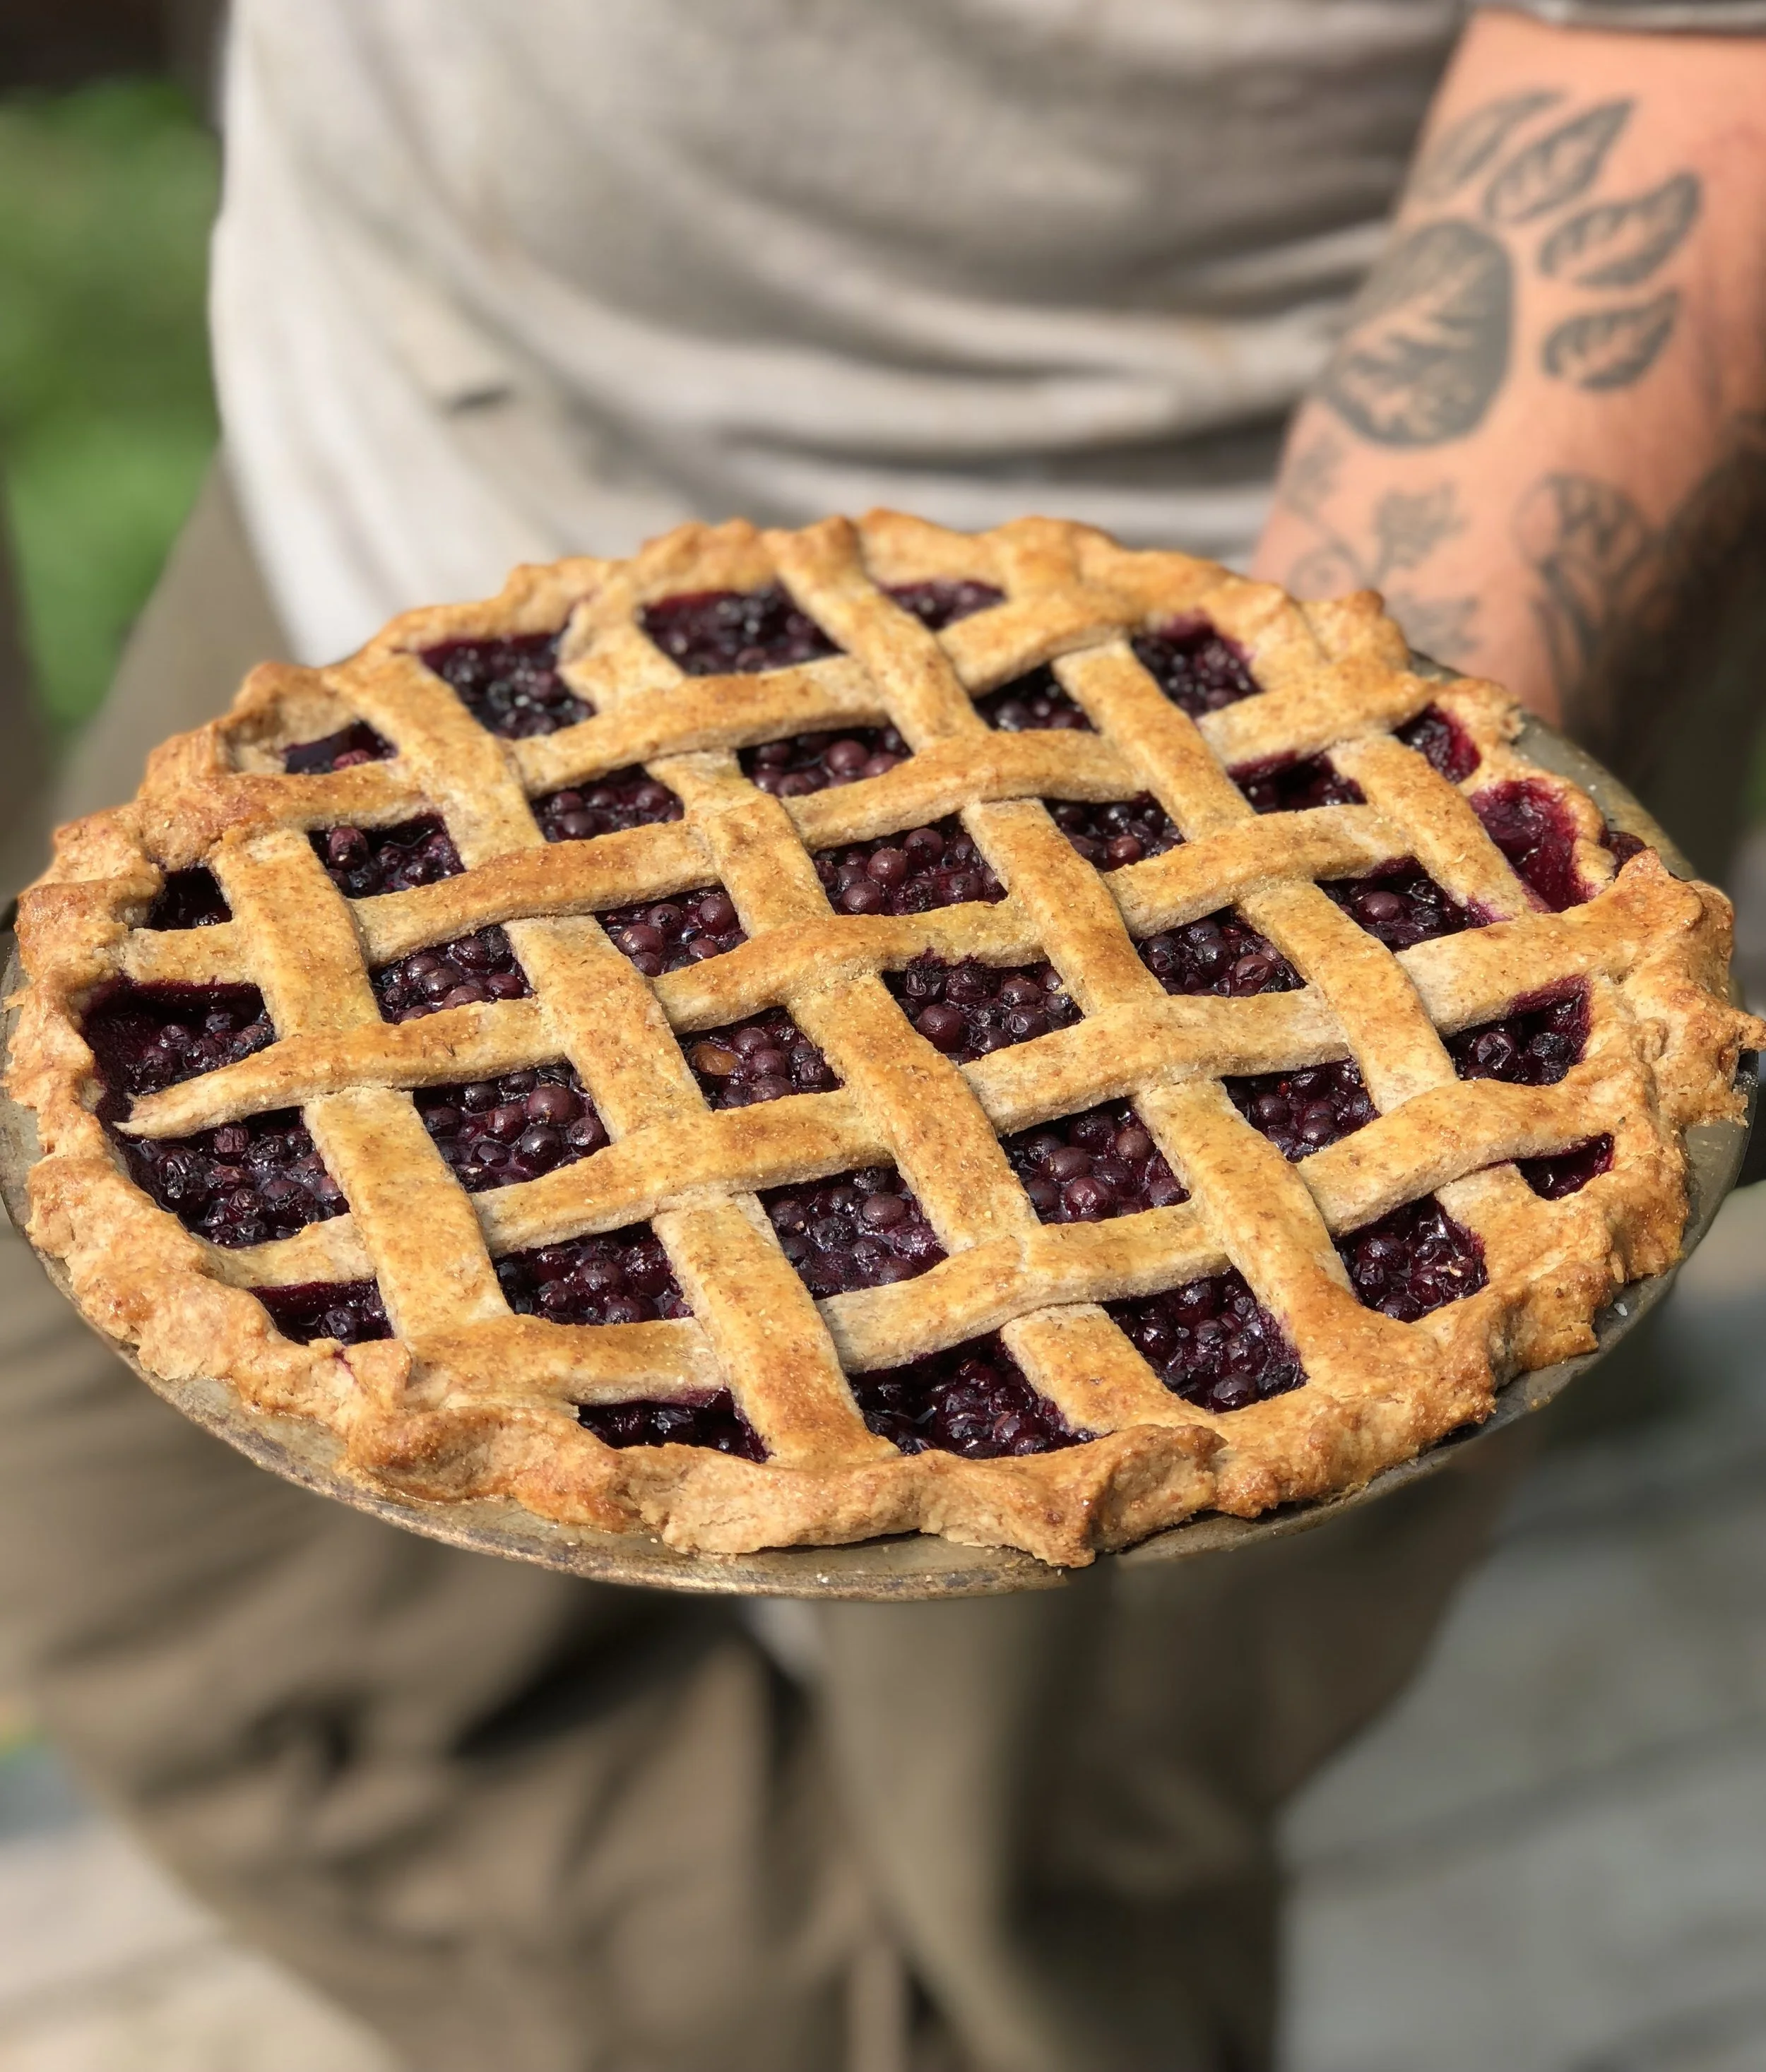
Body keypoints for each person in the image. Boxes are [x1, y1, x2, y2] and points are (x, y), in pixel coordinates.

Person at [4, 6, 1765, 2068]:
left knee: (1038, 1854)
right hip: (380, 696)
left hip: (1250, 676)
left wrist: (1355, 818)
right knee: (183, 1596)